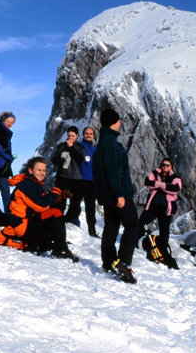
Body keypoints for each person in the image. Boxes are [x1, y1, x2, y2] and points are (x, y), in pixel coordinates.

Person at [93, 109, 138, 284]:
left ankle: (109, 263)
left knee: (111, 227)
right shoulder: (110, 143)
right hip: (118, 194)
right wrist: (119, 194)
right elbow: (113, 171)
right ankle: (123, 263)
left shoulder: (104, 141)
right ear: (114, 121)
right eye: (118, 120)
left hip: (107, 194)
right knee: (133, 224)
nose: (120, 123)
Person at [5, 157, 78, 261]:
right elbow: (40, 206)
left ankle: (51, 241)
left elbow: (42, 201)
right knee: (55, 213)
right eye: (39, 170)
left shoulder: (33, 183)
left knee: (54, 211)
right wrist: (55, 193)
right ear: (31, 170)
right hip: (21, 225)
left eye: (44, 170)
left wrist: (60, 196)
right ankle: (60, 249)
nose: (42, 173)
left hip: (27, 221)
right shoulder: (26, 185)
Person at [138, 158, 182, 269]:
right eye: (163, 164)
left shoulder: (175, 178)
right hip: (153, 206)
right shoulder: (154, 173)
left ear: (171, 167)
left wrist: (160, 185)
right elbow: (147, 182)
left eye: (167, 165)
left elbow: (176, 188)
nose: (164, 167)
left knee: (164, 229)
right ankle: (135, 242)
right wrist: (161, 184)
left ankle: (162, 249)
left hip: (166, 209)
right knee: (141, 223)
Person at [51, 126, 85, 226]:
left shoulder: (80, 147)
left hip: (77, 178)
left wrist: (71, 148)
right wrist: (60, 160)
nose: (70, 138)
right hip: (63, 177)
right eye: (69, 135)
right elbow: (54, 160)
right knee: (60, 199)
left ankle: (72, 220)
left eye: (73, 136)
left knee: (75, 202)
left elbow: (80, 158)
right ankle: (58, 219)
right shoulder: (61, 146)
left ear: (77, 136)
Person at [72, 127, 98, 236]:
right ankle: (73, 227)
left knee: (91, 208)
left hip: (92, 182)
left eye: (90, 134)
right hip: (80, 180)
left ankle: (92, 231)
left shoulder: (94, 149)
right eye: (86, 133)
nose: (88, 135)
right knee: (75, 204)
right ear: (83, 134)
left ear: (93, 135)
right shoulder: (78, 146)